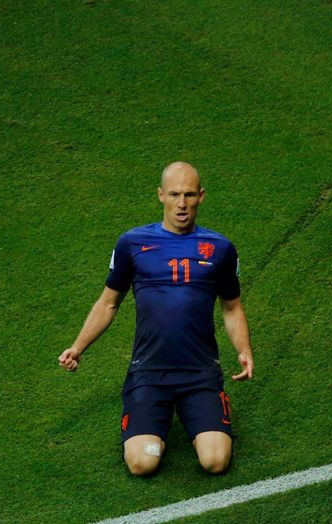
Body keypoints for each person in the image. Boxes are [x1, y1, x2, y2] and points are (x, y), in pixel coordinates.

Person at [58, 161, 254, 474]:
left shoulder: (220, 249)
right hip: (149, 371)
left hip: (199, 372)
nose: (182, 204)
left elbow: (232, 307)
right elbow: (109, 303)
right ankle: (153, 424)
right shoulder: (131, 244)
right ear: (160, 195)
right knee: (142, 463)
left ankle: (186, 418)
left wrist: (244, 350)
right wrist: (78, 347)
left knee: (215, 461)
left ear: (201, 196)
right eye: (174, 194)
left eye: (189, 195)